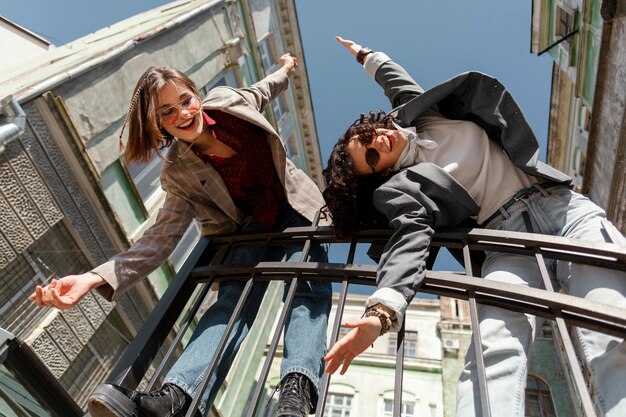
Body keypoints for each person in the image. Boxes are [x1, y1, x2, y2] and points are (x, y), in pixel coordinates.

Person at [322, 36, 626, 417]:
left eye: (366, 137)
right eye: (370, 157)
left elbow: (395, 79)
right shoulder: (404, 188)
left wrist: (366, 56)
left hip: (563, 209)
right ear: (380, 173)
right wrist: (381, 313)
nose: (377, 144)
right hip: (506, 242)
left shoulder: (423, 113)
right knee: (492, 346)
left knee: (612, 316)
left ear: (371, 125)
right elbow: (410, 241)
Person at [29, 53, 331, 417]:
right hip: (247, 228)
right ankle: (179, 396)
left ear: (197, 95)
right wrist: (93, 278)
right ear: (159, 126)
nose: (182, 115)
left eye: (184, 101)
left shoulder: (230, 102)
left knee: (307, 288)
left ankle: (295, 396)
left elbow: (264, 89)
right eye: (167, 113)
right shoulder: (176, 171)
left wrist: (284, 69)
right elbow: (158, 240)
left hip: (295, 205)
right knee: (229, 303)